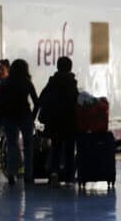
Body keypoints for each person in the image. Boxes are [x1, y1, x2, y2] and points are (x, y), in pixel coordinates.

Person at [0, 59, 39, 186]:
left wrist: (0, 118)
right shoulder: (26, 82)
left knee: (12, 144)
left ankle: (11, 173)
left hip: (9, 117)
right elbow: (36, 102)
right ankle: (28, 175)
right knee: (28, 146)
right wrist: (32, 116)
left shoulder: (5, 82)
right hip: (25, 116)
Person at [38, 56, 78, 186]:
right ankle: (69, 176)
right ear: (70, 68)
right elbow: (75, 101)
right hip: (69, 122)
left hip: (54, 122)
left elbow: (42, 97)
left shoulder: (52, 82)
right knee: (69, 150)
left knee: (56, 148)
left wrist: (35, 116)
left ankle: (54, 173)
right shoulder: (71, 82)